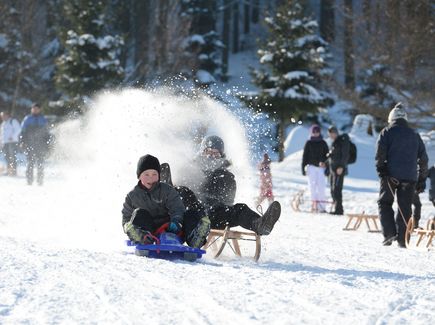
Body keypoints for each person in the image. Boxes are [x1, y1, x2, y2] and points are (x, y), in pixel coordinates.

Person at [163, 135, 281, 236]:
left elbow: (228, 201)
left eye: (215, 153)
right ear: (202, 152)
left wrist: (214, 193)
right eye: (208, 152)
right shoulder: (191, 168)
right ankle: (163, 190)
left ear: (221, 155)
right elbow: (182, 192)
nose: (211, 156)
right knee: (181, 191)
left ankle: (260, 224)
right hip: (192, 213)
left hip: (214, 215)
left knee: (240, 208)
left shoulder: (225, 176)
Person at [122, 154, 210, 248]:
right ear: (139, 176)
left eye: (154, 174)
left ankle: (194, 237)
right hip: (148, 229)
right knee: (139, 213)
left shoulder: (167, 190)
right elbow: (126, 217)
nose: (150, 178)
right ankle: (141, 237)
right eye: (146, 174)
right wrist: (128, 226)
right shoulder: (132, 196)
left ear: (159, 176)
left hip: (170, 227)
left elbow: (177, 208)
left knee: (190, 213)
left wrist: (176, 221)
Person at [375, 103, 428, 248]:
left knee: (384, 202)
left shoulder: (386, 132)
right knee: (405, 207)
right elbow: (423, 159)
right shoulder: (415, 135)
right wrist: (422, 180)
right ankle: (403, 239)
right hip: (410, 178)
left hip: (390, 176)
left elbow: (380, 154)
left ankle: (389, 234)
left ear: (390, 118)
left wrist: (381, 170)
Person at [20, 103, 50, 185]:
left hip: (40, 144)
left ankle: (40, 181)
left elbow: (47, 133)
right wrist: (22, 141)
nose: (35, 110)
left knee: (40, 163)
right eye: (33, 108)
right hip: (30, 143)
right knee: (30, 162)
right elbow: (22, 131)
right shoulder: (27, 119)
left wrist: (47, 144)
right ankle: (29, 180)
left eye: (36, 108)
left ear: (39, 109)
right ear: (31, 109)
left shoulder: (43, 119)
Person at [302, 125, 329, 212]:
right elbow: (305, 156)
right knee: (312, 187)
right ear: (311, 132)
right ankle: (314, 206)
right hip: (311, 167)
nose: (316, 133)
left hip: (321, 168)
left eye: (317, 131)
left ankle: (322, 207)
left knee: (321, 187)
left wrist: (325, 163)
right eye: (314, 132)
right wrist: (303, 167)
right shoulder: (308, 142)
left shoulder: (323, 143)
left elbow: (327, 156)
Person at [326, 126, 350, 215]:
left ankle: (339, 210)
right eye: (329, 134)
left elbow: (345, 155)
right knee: (333, 190)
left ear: (335, 132)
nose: (330, 135)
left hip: (339, 169)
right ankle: (337, 208)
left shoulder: (342, 141)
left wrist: (342, 167)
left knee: (337, 190)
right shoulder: (335, 142)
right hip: (333, 169)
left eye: (331, 133)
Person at [0, 110, 21, 176]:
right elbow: (2, 134)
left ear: (7, 115)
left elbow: (18, 129)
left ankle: (14, 171)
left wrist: (13, 136)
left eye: (3, 115)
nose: (2, 117)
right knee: (7, 158)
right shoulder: (3, 124)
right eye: (1, 116)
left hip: (12, 142)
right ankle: (9, 171)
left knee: (12, 157)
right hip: (5, 143)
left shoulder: (13, 121)